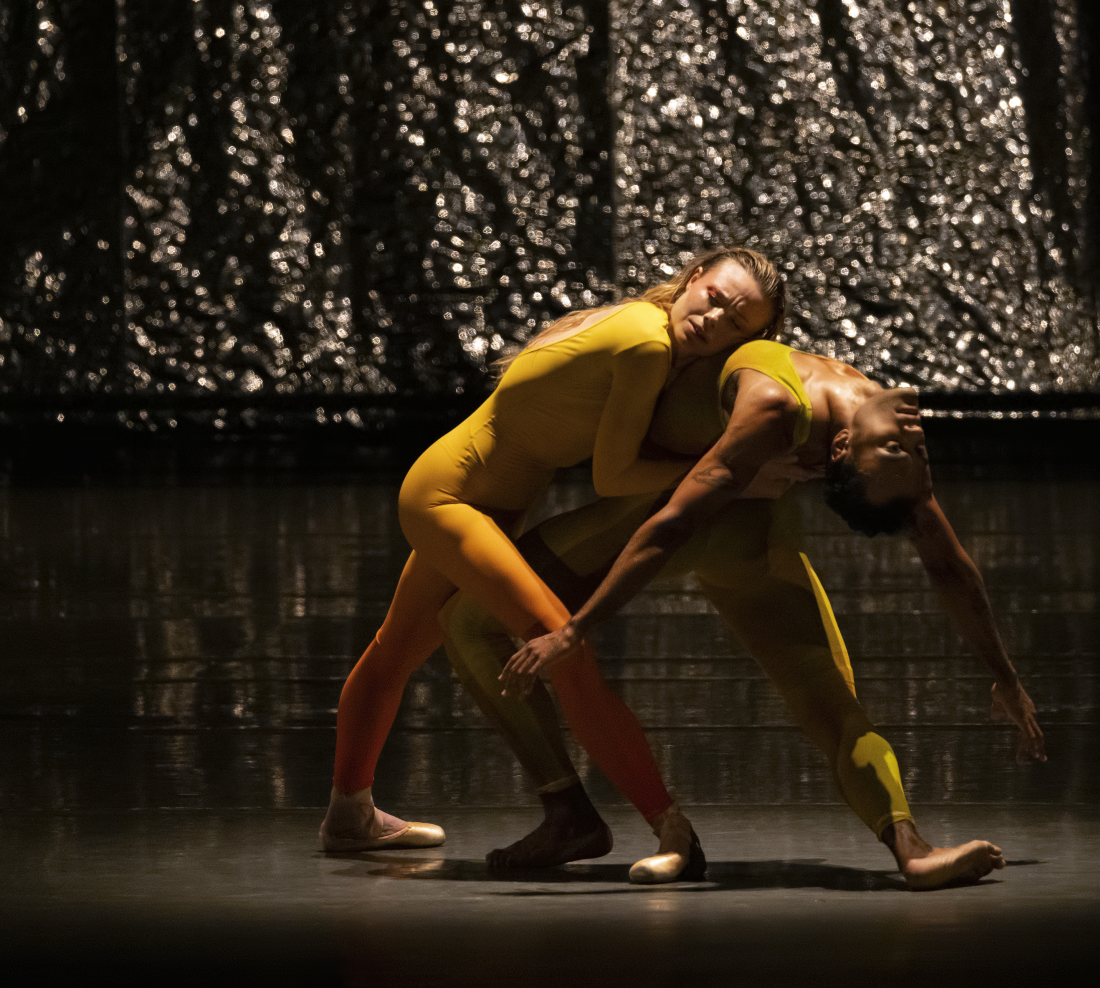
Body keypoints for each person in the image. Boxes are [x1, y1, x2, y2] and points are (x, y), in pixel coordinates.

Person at [491, 340, 1045, 889]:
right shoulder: (778, 406)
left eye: (913, 455)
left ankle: (914, 851)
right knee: (472, 616)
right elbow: (669, 525)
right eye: (903, 451)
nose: (915, 440)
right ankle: (568, 809)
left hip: (744, 539)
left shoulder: (809, 423)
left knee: (830, 702)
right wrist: (574, 629)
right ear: (841, 445)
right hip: (675, 516)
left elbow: (952, 568)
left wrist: (1007, 679)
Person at [319, 247, 787, 886]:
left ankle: (349, 814)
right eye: (713, 297)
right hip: (448, 497)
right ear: (693, 279)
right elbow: (614, 474)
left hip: (485, 502)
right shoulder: (645, 345)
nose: (714, 320)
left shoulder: (651, 332)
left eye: (736, 322)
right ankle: (662, 823)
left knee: (395, 651)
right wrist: (730, 473)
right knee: (565, 646)